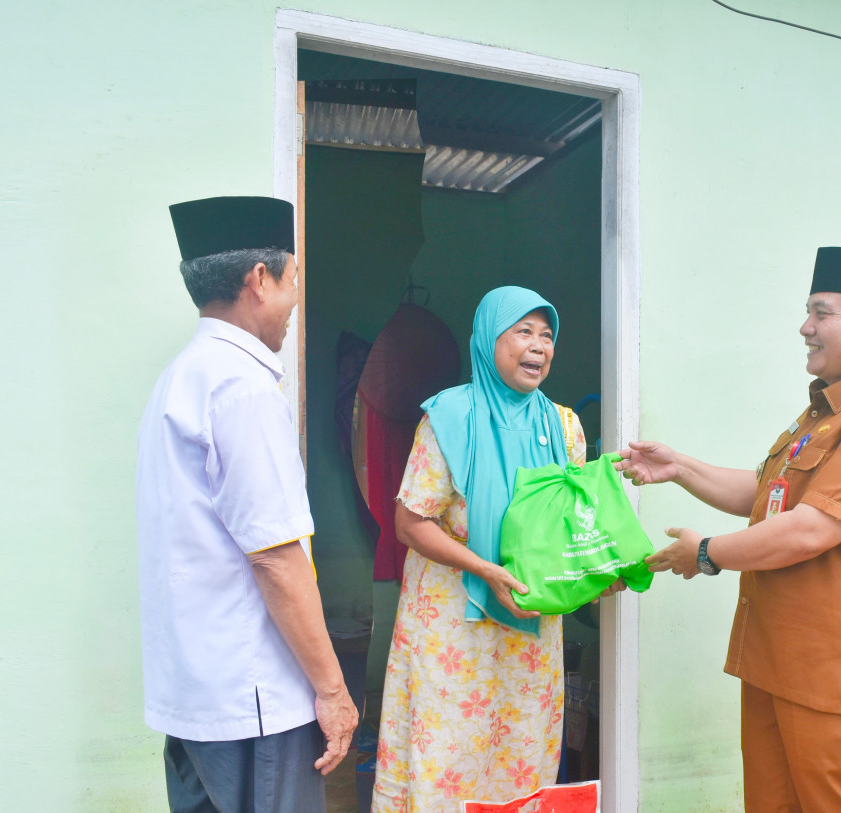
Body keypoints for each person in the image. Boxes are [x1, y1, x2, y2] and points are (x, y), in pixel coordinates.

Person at [617, 246, 841, 811]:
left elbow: (812, 529)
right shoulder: (826, 411)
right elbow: (773, 499)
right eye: (807, 311)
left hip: (837, 676)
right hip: (777, 658)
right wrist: (681, 469)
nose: (805, 327)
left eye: (822, 312)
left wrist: (709, 553)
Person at [137, 196, 358, 813]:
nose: (294, 303)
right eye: (294, 280)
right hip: (253, 698)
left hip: (196, 692)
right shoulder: (242, 387)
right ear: (260, 280)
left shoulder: (182, 375)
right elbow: (277, 558)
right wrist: (333, 690)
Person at [371, 286, 587, 813]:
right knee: (448, 756)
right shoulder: (448, 417)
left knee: (520, 752)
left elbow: (572, 521)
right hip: (452, 624)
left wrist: (604, 564)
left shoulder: (563, 426)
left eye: (547, 334)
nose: (539, 346)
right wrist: (484, 569)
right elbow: (409, 522)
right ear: (489, 340)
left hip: (528, 622)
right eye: (523, 331)